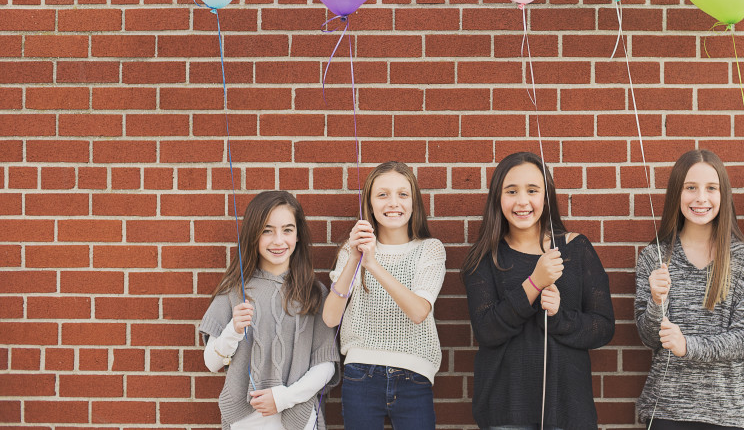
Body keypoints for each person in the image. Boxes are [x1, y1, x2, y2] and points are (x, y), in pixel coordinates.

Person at [462, 151, 614, 430]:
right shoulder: (484, 257)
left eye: (532, 190)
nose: (522, 201)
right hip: (506, 409)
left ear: (547, 196)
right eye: (511, 191)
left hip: (569, 410)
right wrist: (533, 284)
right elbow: (486, 329)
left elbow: (603, 327)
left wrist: (558, 317)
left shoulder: (575, 248)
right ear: (498, 197)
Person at [635, 149, 744, 430]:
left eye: (711, 188)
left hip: (729, 412)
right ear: (676, 193)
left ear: (724, 195)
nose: (701, 198)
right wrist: (656, 301)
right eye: (690, 187)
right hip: (667, 409)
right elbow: (649, 338)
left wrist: (687, 346)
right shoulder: (654, 256)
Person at [199, 191, 340, 430]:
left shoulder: (314, 293)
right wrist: (232, 331)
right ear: (253, 234)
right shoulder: (233, 290)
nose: (278, 240)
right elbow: (211, 362)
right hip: (246, 420)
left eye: (287, 230)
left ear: (297, 235)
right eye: (267, 230)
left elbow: (326, 367)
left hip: (297, 416)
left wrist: (283, 398)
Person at [323, 161, 445, 429]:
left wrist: (373, 265)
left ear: (414, 204)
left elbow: (418, 311)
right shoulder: (352, 250)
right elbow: (331, 318)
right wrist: (355, 258)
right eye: (382, 194)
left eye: (402, 194)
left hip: (414, 376)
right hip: (360, 374)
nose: (393, 203)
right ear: (369, 203)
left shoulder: (430, 249)